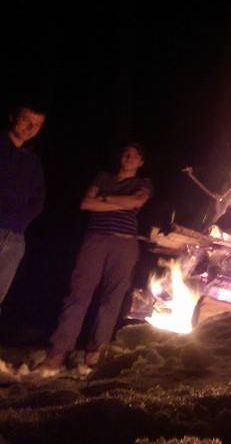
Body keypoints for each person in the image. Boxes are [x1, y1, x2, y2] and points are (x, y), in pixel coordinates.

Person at [39, 143, 152, 370]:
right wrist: (120, 202)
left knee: (113, 298)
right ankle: (58, 351)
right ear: (121, 157)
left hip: (126, 243)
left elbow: (137, 201)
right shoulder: (103, 177)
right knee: (78, 293)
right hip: (96, 239)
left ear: (141, 162)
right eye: (126, 153)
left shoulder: (143, 183)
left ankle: (96, 352)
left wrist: (105, 199)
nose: (129, 157)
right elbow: (86, 203)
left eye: (135, 156)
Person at [0, 102, 47, 312]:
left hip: (15, 236)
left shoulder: (32, 161)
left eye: (36, 125)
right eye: (26, 120)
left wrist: (21, 222)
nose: (30, 128)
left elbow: (38, 198)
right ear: (13, 117)